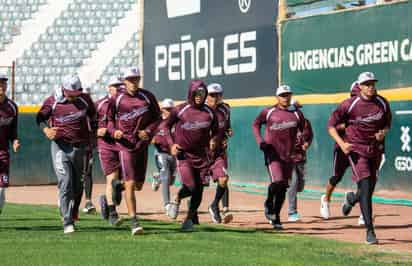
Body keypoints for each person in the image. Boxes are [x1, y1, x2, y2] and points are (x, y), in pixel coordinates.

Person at [327, 72, 391, 244]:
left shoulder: (382, 102)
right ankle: (370, 231)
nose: (371, 86)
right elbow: (331, 126)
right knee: (365, 183)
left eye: (373, 83)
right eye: (367, 84)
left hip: (374, 150)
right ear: (360, 86)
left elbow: (387, 123)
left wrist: (383, 132)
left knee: (367, 190)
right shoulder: (350, 104)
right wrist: (342, 144)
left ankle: (353, 198)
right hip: (356, 150)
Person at [36, 74, 96, 234]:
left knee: (77, 186)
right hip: (60, 146)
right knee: (65, 182)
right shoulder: (53, 101)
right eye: (70, 94)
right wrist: (46, 129)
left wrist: (94, 139)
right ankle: (67, 221)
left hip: (80, 147)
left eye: (76, 93)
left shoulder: (85, 100)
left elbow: (93, 117)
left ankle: (71, 209)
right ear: (63, 89)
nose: (73, 97)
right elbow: (40, 118)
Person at [107, 67, 161, 235]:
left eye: (136, 78)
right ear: (124, 81)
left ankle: (118, 186)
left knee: (138, 185)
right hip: (125, 145)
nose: (133, 82)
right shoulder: (117, 99)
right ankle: (134, 221)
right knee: (130, 184)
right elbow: (108, 120)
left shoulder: (147, 97)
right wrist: (113, 131)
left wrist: (149, 132)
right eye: (130, 79)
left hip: (141, 145)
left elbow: (158, 118)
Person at [165, 80, 218, 231]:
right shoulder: (180, 110)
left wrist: (214, 139)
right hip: (184, 155)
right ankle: (176, 198)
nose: (199, 96)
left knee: (199, 190)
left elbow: (216, 131)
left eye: (202, 93)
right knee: (191, 186)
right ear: (191, 93)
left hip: (202, 156)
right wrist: (171, 144)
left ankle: (188, 219)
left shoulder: (210, 112)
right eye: (196, 93)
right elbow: (166, 126)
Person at [252, 85, 305, 229]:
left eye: (288, 95)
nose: (285, 97)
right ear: (277, 97)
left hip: (288, 155)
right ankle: (269, 202)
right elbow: (256, 124)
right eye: (282, 95)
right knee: (278, 181)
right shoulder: (268, 112)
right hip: (272, 153)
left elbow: (303, 130)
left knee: (283, 188)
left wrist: (302, 143)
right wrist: (260, 141)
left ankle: (276, 217)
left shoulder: (297, 114)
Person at [320, 81, 360, 220]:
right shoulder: (345, 107)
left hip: (359, 148)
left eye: (358, 94)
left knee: (364, 180)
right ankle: (326, 200)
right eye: (354, 94)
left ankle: (362, 213)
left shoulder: (368, 107)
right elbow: (333, 127)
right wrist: (345, 126)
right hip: (342, 147)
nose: (356, 97)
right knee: (337, 177)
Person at [96, 77, 124, 226]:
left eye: (120, 86)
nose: (118, 89)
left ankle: (106, 200)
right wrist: (96, 130)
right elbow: (87, 122)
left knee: (127, 182)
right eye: (115, 86)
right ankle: (113, 214)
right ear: (108, 87)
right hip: (106, 145)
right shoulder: (100, 104)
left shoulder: (125, 103)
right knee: (111, 179)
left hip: (124, 144)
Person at [205, 83, 234, 224]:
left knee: (223, 178)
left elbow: (227, 125)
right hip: (202, 153)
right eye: (212, 95)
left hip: (219, 152)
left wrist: (227, 133)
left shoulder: (225, 109)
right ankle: (191, 214)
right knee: (196, 186)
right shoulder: (201, 111)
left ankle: (216, 205)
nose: (215, 98)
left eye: (218, 95)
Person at [151, 98, 177, 214]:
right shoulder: (157, 122)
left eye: (171, 109)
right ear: (162, 110)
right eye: (166, 109)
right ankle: (167, 204)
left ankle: (157, 178)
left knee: (171, 181)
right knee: (166, 176)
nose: (168, 112)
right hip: (160, 153)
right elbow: (149, 136)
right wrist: (153, 139)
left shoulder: (177, 122)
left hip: (173, 155)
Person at [0, 73, 20, 215]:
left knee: (1, 188)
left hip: (2, 152)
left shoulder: (12, 107)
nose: (1, 86)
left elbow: (13, 130)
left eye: (3, 83)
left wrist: (15, 141)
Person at [287, 117, 313, 222]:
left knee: (300, 186)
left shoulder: (306, 122)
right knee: (293, 183)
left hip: (301, 157)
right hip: (288, 158)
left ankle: (287, 189)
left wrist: (307, 143)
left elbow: (310, 136)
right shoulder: (285, 122)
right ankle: (292, 212)